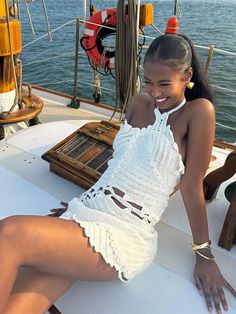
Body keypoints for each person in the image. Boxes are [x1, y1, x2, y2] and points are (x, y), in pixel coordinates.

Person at [0, 34, 235, 314]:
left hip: (124, 233)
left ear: (187, 75)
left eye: (164, 83)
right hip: (89, 211)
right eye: (148, 81)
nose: (155, 92)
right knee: (20, 303)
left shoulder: (197, 112)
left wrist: (204, 254)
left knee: (10, 233)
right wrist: (86, 203)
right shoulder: (138, 103)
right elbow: (121, 164)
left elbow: (191, 186)